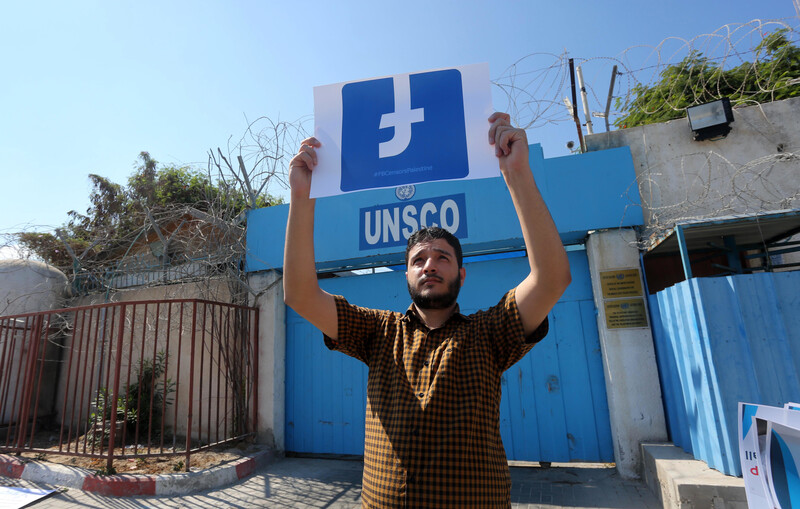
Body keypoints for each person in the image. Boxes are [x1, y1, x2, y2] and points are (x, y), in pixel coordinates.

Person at [284, 112, 571, 508]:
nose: (430, 265)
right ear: (405, 274)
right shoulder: (378, 332)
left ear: (462, 275)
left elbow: (552, 278)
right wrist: (301, 197)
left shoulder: (489, 334)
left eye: (442, 257)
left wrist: (517, 174)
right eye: (418, 259)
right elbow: (300, 294)